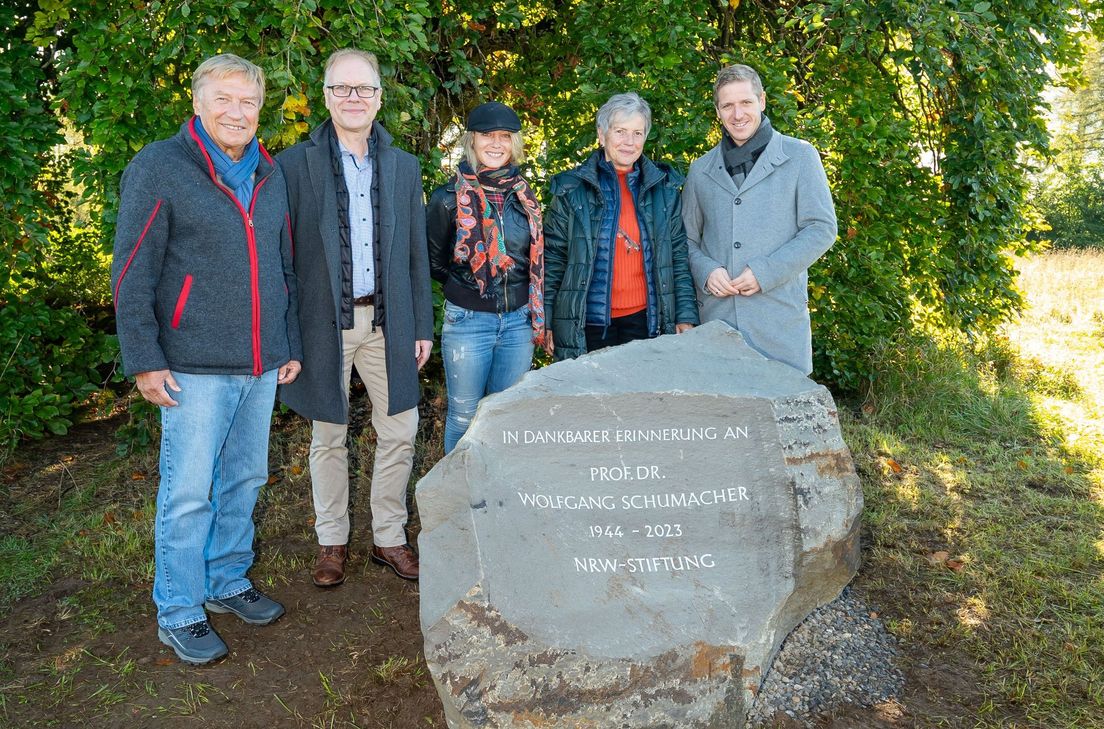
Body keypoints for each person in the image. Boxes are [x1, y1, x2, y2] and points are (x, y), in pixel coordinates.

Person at [111, 54, 302, 665]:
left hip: (260, 363)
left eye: (248, 101)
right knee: (189, 491)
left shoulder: (269, 171)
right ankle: (179, 607)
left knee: (246, 478)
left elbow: (282, 268)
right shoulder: (161, 166)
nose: (236, 112)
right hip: (191, 362)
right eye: (223, 98)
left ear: (261, 107)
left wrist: (286, 344)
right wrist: (144, 357)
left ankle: (226, 580)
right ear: (197, 103)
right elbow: (132, 270)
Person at [277, 49, 433, 586]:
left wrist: (421, 327)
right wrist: (287, 332)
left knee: (401, 429)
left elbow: (415, 252)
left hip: (388, 323)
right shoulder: (294, 165)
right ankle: (332, 542)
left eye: (363, 89)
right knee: (329, 434)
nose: (353, 98)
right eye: (342, 89)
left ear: (378, 98)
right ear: (325, 96)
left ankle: (388, 538)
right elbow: (282, 257)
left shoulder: (402, 165)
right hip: (326, 324)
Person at [682, 64, 837, 375]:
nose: (737, 114)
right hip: (717, 321)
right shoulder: (700, 169)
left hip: (778, 320)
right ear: (718, 110)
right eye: (728, 105)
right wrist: (706, 270)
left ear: (762, 101)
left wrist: (765, 272)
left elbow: (821, 229)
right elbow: (685, 239)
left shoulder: (800, 156)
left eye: (745, 103)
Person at [426, 102, 545, 453]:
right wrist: (468, 293)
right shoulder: (447, 198)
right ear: (472, 141)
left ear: (514, 143)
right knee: (463, 417)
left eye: (504, 136)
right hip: (468, 322)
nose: (495, 143)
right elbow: (434, 261)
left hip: (519, 322)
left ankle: (496, 500)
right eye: (486, 135)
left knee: (504, 414)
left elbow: (533, 259)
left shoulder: (524, 196)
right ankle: (459, 502)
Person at [544, 92, 698, 360]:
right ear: (602, 134)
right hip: (586, 323)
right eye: (620, 131)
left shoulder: (663, 190)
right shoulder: (572, 190)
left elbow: (678, 257)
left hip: (646, 320)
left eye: (637, 133)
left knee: (642, 401)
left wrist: (685, 314)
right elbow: (553, 259)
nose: (629, 142)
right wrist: (544, 320)